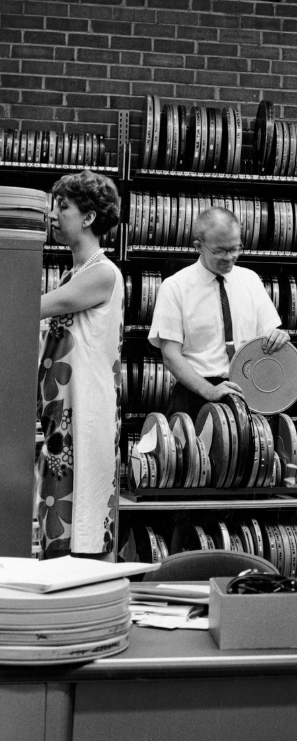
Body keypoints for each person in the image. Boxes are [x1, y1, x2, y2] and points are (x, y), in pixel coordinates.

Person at [37, 170, 123, 559]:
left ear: (88, 217)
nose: (53, 215)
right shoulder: (76, 273)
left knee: (83, 526)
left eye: (63, 206)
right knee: (65, 519)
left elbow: (31, 307)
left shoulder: (103, 273)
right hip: (67, 417)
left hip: (86, 417)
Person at [148, 206, 289, 420]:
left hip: (247, 392)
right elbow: (170, 355)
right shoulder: (175, 286)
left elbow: (268, 337)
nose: (229, 257)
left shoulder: (250, 280)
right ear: (199, 246)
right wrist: (209, 391)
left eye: (235, 248)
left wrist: (278, 337)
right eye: (220, 251)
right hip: (195, 396)